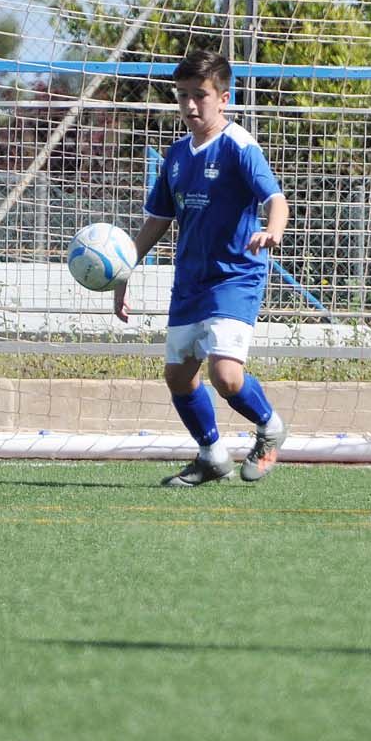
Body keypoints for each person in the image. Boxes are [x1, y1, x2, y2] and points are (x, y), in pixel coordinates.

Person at [114, 49, 289, 486]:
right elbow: (157, 220)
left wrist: (273, 230)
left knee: (226, 375)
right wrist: (124, 270)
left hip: (236, 276)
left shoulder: (239, 146)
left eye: (201, 96)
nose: (191, 106)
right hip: (190, 281)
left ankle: (269, 427)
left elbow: (276, 199)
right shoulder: (175, 156)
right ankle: (211, 455)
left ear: (223, 98)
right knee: (177, 375)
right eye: (183, 96)